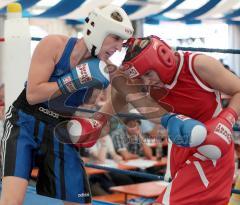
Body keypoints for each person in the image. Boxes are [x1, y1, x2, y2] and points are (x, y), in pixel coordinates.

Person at [0, 5, 133, 205]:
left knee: (79, 201)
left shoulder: (103, 71)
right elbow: (33, 94)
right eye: (115, 38)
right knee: (12, 201)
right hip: (25, 120)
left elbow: (103, 103)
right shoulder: (53, 44)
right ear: (97, 30)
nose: (118, 47)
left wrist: (97, 122)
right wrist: (75, 80)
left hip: (60, 129)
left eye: (122, 42)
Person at [118, 35, 240, 205]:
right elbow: (124, 89)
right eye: (141, 77)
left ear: (164, 57)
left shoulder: (198, 65)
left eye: (148, 73)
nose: (146, 82)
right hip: (179, 147)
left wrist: (227, 119)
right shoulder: (147, 81)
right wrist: (99, 117)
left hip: (210, 149)